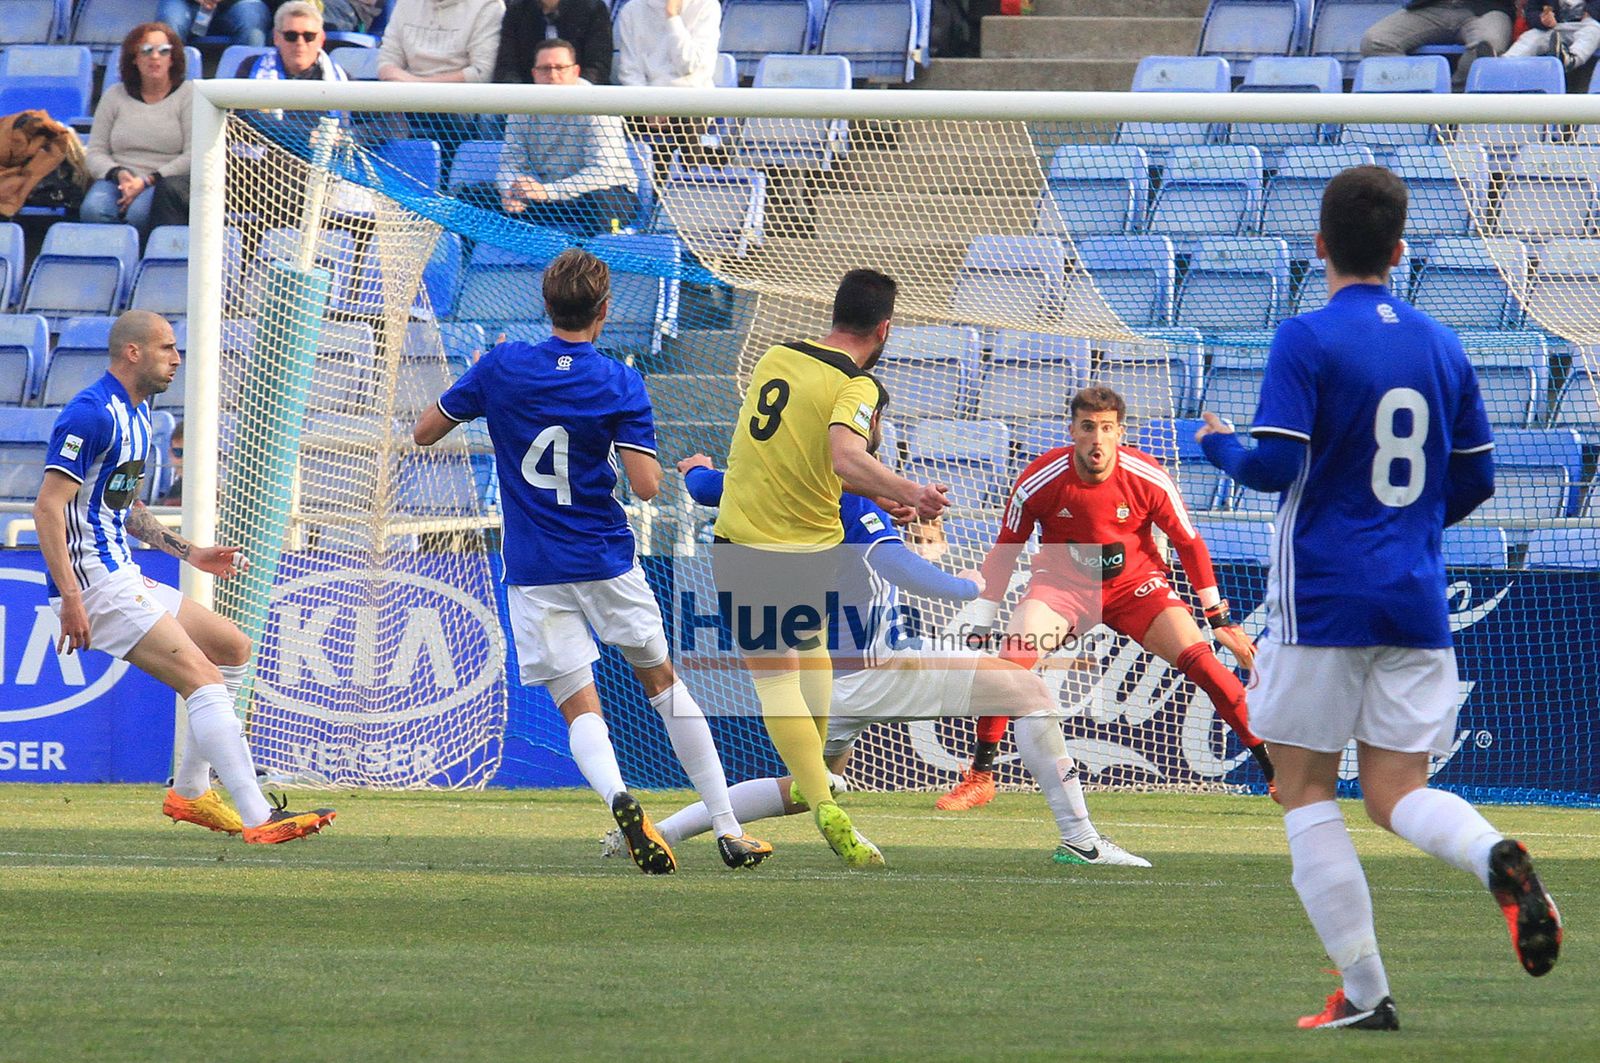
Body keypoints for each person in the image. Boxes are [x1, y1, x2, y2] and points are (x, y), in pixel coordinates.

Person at [1198, 165, 1561, 1030]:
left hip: (1323, 596)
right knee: (1396, 792)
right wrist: (1409, 525)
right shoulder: (1442, 343)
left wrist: (1217, 446)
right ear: (1400, 252)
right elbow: (1477, 477)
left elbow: (1276, 465)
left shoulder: (1307, 336)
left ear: (1319, 244)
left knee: (1303, 788)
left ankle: (1366, 993)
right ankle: (1492, 852)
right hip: (1416, 598)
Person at [615, 444, 1151, 868]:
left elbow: (707, 488)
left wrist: (696, 468)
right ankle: (1081, 840)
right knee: (1029, 691)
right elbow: (897, 567)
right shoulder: (852, 503)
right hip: (878, 665)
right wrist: (965, 586)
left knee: (813, 787)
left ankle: (662, 832)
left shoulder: (775, 484)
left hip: (819, 675)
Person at [411, 248, 771, 873]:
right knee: (663, 684)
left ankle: (618, 797)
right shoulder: (618, 381)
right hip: (604, 557)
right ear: (604, 310)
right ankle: (727, 826)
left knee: (579, 704)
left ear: (545, 304)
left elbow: (423, 432)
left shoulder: (502, 365)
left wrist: (487, 389)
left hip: (535, 568)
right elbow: (648, 487)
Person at [30, 310, 335, 844]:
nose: (176, 359)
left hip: (119, 572)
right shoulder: (91, 414)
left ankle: (190, 792)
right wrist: (72, 597)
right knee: (204, 680)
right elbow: (47, 507)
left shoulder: (139, 413)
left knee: (231, 647)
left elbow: (122, 505)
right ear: (133, 352)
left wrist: (190, 552)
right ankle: (259, 817)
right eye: (167, 347)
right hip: (95, 584)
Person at [711, 269, 949, 869]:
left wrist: (882, 493)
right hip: (810, 552)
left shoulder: (776, 356)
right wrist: (912, 492)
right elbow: (844, 455)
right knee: (813, 657)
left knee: (776, 683)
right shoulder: (857, 385)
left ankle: (818, 797)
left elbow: (796, 456)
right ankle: (820, 793)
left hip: (743, 543)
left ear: (835, 311)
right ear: (884, 329)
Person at [941, 385, 1275, 813]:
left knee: (1207, 667)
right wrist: (983, 620)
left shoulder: (1147, 475)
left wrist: (1219, 618)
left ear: (1120, 432)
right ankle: (980, 778)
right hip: (1061, 587)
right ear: (1072, 431)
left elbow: (1188, 542)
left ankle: (1276, 774)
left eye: (1105, 428)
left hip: (1136, 587)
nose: (1096, 438)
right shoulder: (1039, 479)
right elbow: (1006, 550)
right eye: (1087, 427)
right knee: (1010, 664)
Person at [491, 39, 637, 235]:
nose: (552, 75)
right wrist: (510, 189)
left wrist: (548, 192)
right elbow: (510, 162)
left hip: (602, 193)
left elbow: (603, 172)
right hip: (545, 195)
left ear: (575, 71)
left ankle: (592, 256)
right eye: (545, 68)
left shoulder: (599, 105)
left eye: (560, 68)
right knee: (471, 197)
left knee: (602, 203)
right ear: (534, 73)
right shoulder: (522, 106)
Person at [82, 24, 192, 236]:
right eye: (146, 50)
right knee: (93, 210)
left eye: (164, 51)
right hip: (119, 179)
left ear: (172, 58)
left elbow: (193, 155)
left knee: (138, 215)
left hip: (163, 180)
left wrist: (147, 180)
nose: (155, 57)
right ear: (134, 58)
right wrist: (118, 174)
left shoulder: (189, 95)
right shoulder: (113, 95)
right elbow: (95, 151)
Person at [378, 0, 506, 167]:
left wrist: (417, 84)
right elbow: (386, 62)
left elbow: (481, 73)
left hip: (458, 101)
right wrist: (411, 85)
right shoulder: (405, 3)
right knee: (362, 110)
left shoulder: (489, 5)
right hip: (404, 95)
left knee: (454, 121)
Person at [1360, 0, 1515, 91]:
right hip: (1431, 7)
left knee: (1487, 46)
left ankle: (1456, 101)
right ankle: (1421, 95)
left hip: (1486, 9)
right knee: (1375, 41)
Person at [494, 0, 613, 85]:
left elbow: (598, 65)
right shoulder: (516, 10)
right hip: (527, 100)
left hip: (583, 97)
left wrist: (575, 92)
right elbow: (507, 66)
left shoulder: (593, 8)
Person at [614, 0, 720, 88]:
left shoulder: (708, 6)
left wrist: (672, 16)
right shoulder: (632, 10)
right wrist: (646, 103)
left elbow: (690, 66)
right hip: (647, 101)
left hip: (695, 99)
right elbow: (630, 72)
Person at [1504, 1, 1600, 69]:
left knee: (1593, 30)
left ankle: (1570, 59)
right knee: (1531, 37)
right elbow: (1532, 11)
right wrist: (1542, 20)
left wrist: (1592, 12)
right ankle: (1505, 64)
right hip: (1554, 27)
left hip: (1584, 26)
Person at [157, 0, 270, 45]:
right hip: (186, 4)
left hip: (238, 5)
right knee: (171, 22)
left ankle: (249, 85)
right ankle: (174, 83)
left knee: (252, 23)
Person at [159, 421, 184, 505]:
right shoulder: (170, 497)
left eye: (192, 453)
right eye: (178, 452)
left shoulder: (217, 496)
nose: (185, 459)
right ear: (170, 454)